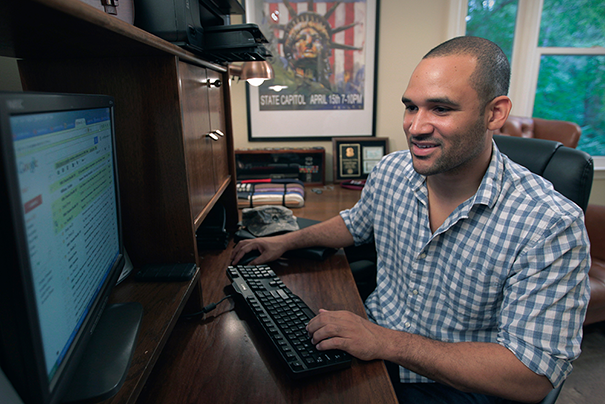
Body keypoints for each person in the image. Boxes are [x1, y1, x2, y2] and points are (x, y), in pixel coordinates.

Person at [231, 36, 590, 404]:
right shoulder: (392, 171)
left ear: (494, 113)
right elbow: (355, 224)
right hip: (374, 350)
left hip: (456, 387)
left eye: (440, 109)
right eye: (410, 107)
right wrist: (284, 241)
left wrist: (385, 342)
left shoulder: (551, 224)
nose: (416, 127)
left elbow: (532, 376)